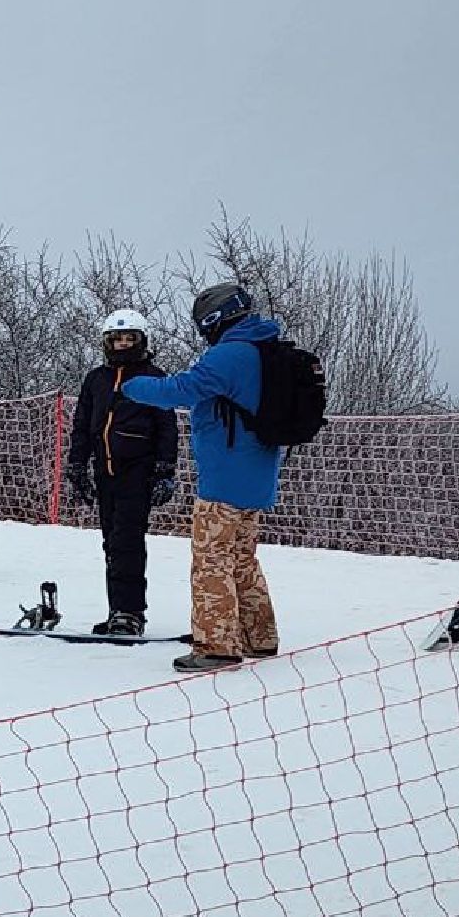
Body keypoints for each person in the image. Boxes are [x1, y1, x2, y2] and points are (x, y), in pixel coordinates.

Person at [121, 283, 284, 672]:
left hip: (225, 477)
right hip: (258, 474)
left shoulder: (230, 355)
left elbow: (181, 389)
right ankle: (259, 636)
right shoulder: (266, 349)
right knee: (242, 558)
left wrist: (131, 383)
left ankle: (216, 646)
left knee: (211, 561)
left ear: (215, 317)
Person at [64, 310, 180, 636]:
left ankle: (131, 612)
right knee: (111, 543)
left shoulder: (152, 377)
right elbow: (83, 427)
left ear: (141, 341)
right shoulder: (96, 379)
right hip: (105, 472)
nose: (123, 344)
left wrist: (164, 470)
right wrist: (77, 466)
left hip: (137, 472)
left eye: (129, 339)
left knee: (127, 541)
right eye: (117, 339)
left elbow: (166, 427)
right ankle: (117, 609)